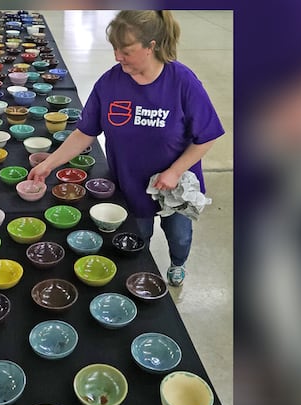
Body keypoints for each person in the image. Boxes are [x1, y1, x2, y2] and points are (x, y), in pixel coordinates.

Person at [27, 10, 224, 287]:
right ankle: (138, 275)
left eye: (126, 50)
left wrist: (175, 171)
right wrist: (48, 164)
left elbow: (207, 135)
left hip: (175, 185)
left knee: (179, 236)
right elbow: (85, 133)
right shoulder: (110, 83)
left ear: (151, 46)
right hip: (130, 183)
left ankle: (178, 264)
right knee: (136, 238)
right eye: (115, 49)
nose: (118, 57)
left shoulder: (182, 81)